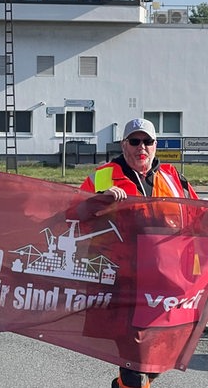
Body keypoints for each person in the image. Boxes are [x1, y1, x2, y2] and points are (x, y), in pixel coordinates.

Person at [79, 118, 198, 388]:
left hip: (166, 285)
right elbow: (72, 214)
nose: (140, 147)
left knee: (161, 357)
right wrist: (99, 199)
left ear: (155, 146)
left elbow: (196, 219)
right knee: (134, 361)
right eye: (134, 141)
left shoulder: (174, 178)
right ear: (124, 145)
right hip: (123, 283)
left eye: (147, 141)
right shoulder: (102, 176)